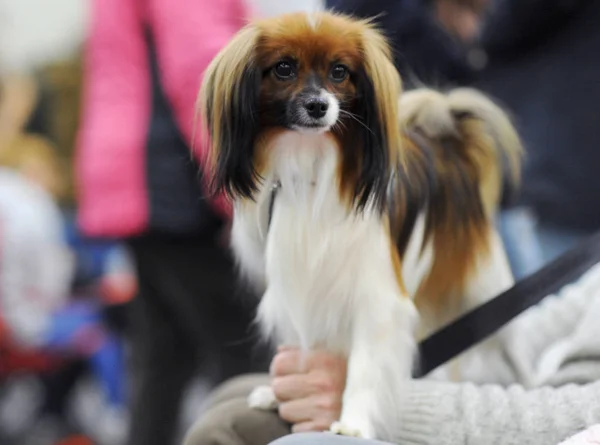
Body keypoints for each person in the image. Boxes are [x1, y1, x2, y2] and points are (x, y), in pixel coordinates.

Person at [76, 1, 271, 444]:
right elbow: (204, 75)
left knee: (164, 358)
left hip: (137, 183)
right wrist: (237, 194)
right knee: (247, 355)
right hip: (175, 183)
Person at [184, 253, 600, 445]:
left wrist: (378, 398)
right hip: (537, 398)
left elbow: (583, 416)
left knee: (235, 429)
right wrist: (375, 365)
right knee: (238, 394)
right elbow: (530, 336)